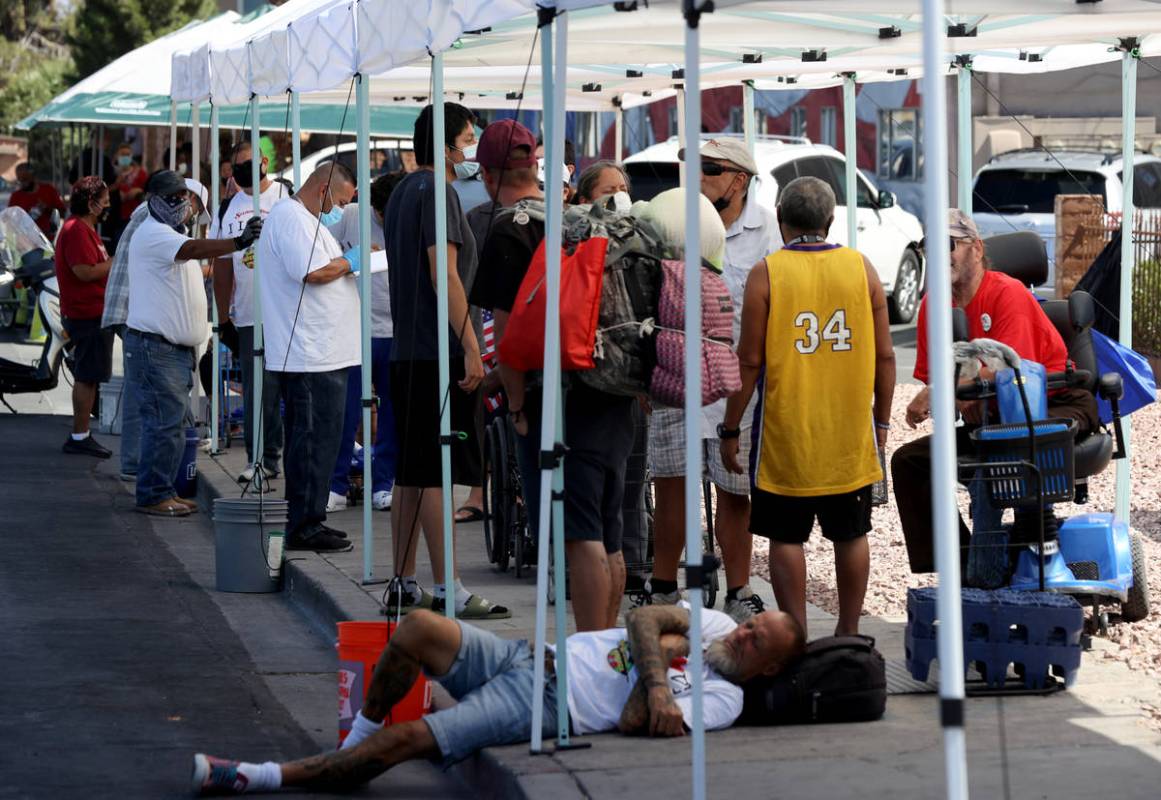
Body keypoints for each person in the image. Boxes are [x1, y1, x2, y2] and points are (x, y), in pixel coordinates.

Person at [191, 604, 806, 795]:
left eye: (755, 643)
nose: (742, 634)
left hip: (546, 707)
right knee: (416, 628)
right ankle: (355, 743)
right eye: (753, 625)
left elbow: (633, 719)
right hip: (530, 657)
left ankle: (259, 776)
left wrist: (658, 674)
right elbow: (643, 616)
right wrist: (665, 658)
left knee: (411, 741)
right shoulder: (717, 621)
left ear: (769, 667)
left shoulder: (723, 702)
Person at [469, 120, 634, 632]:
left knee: (574, 535)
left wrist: (515, 407)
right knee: (610, 533)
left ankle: (589, 648)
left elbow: (508, 334)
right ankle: (608, 642)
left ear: (488, 172)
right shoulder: (590, 218)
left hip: (554, 399)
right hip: (613, 392)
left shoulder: (510, 228)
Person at [720, 176, 895, 637]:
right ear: (831, 219)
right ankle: (849, 631)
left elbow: (750, 360)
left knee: (786, 536)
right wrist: (881, 421)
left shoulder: (768, 272)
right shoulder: (862, 268)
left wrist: (730, 427)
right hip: (848, 433)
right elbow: (885, 357)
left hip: (786, 432)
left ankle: (795, 633)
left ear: (780, 221)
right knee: (851, 534)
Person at [891, 209, 1099, 575]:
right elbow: (935, 378)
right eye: (930, 248)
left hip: (1052, 403)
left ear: (976, 248)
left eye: (950, 245)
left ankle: (1006, 566)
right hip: (990, 421)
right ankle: (963, 565)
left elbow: (1008, 370)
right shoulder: (931, 308)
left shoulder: (1008, 293)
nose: (940, 256)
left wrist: (944, 391)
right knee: (910, 462)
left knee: (1005, 452)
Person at [641, 138, 782, 623]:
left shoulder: (768, 230)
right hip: (674, 375)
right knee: (671, 486)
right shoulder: (670, 220)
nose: (696, 178)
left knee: (734, 490)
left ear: (739, 180)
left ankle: (739, 589)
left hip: (737, 383)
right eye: (692, 169)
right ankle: (663, 587)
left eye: (709, 170)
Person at [382, 102, 506, 619]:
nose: (472, 146)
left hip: (406, 349)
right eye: (469, 136)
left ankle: (404, 580)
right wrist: (471, 344)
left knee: (411, 473)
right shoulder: (439, 192)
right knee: (434, 470)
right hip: (436, 350)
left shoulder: (401, 192)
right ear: (448, 143)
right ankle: (446, 586)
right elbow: (446, 275)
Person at [125, 171, 261, 516]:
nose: (180, 203)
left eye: (182, 197)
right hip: (156, 349)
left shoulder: (171, 234)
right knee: (163, 424)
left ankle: (162, 489)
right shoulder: (154, 234)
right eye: (171, 198)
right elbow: (195, 248)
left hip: (171, 351)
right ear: (152, 201)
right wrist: (237, 242)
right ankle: (154, 494)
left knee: (170, 424)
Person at [256, 163, 358, 551]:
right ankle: (304, 524)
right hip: (310, 354)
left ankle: (310, 516)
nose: (340, 209)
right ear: (325, 187)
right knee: (313, 440)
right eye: (341, 200)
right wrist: (352, 262)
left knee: (319, 439)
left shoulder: (305, 220)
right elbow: (313, 272)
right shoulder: (292, 218)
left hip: (321, 352)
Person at [210, 141, 292, 484]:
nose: (241, 170)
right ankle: (259, 457)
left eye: (247, 163)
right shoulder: (228, 208)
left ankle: (283, 455)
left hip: (285, 312)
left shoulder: (286, 196)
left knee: (287, 388)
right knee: (258, 390)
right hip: (246, 314)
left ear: (263, 161)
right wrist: (222, 317)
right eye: (235, 166)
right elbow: (221, 263)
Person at [325, 172, 402, 514]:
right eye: (382, 214)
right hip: (353, 329)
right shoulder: (353, 214)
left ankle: (383, 483)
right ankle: (336, 484)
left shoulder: (410, 217)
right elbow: (323, 253)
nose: (387, 220)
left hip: (395, 331)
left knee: (392, 414)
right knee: (345, 412)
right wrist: (352, 258)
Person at [55, 176, 115, 458]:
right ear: (91, 204)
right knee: (86, 376)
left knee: (89, 376)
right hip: (86, 312)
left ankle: (82, 434)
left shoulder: (84, 229)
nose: (108, 204)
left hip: (94, 311)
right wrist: (115, 262)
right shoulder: (76, 231)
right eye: (104, 199)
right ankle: (80, 435)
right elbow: (84, 271)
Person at [100, 194, 151, 482]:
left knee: (138, 387)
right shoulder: (150, 217)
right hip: (130, 310)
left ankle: (134, 459)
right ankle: (132, 461)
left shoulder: (145, 214)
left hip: (128, 309)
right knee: (137, 388)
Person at [9, 162, 65, 238]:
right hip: (25, 242)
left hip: (48, 240)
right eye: (20, 180)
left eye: (25, 179)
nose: (22, 183)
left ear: (33, 176)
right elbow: (10, 221)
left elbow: (62, 213)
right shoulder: (15, 196)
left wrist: (47, 208)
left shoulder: (48, 190)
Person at [111, 143, 147, 237]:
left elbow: (147, 192)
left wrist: (138, 192)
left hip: (136, 216)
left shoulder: (141, 173)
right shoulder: (112, 173)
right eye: (122, 154)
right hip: (117, 218)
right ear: (117, 156)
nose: (125, 157)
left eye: (127, 154)